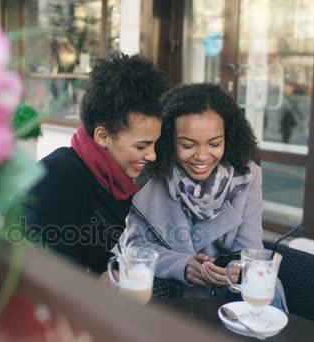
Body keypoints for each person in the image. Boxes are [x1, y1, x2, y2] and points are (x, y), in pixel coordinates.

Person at [118, 83, 286, 309]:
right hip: (170, 295)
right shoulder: (150, 176)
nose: (202, 156)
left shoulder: (247, 176)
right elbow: (136, 248)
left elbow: (250, 248)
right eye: (188, 145)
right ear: (168, 140)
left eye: (215, 144)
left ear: (229, 138)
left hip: (231, 296)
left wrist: (236, 271)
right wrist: (183, 265)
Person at [23, 52, 168, 276]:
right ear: (102, 136)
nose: (152, 156)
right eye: (141, 147)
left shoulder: (115, 181)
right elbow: (46, 270)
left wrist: (110, 271)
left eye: (155, 145)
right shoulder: (55, 178)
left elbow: (91, 253)